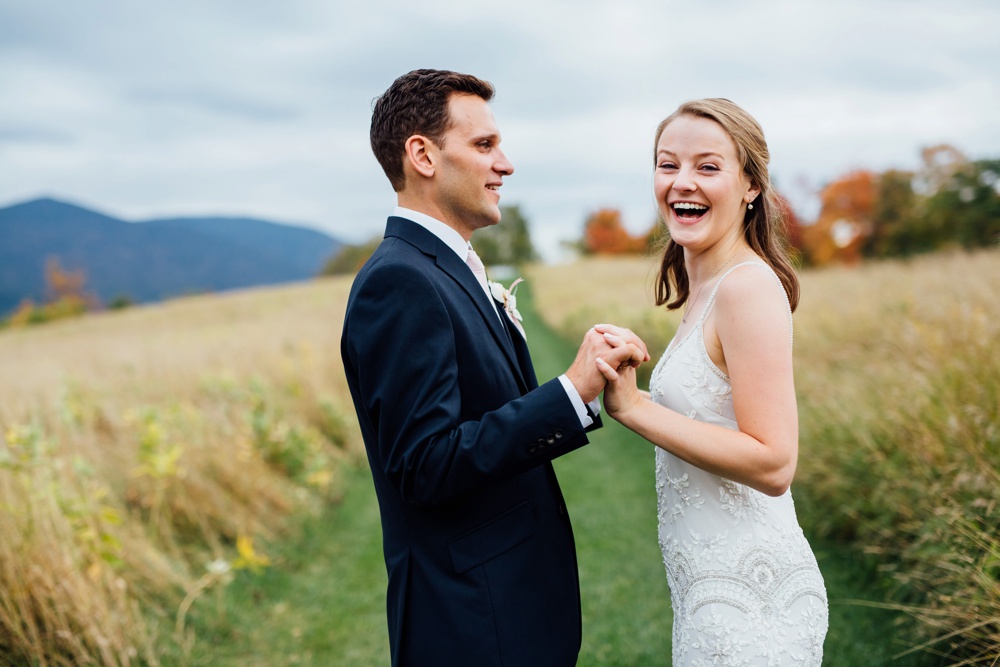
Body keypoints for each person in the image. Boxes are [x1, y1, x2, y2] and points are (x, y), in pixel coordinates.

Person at [341, 69, 646, 667]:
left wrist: (579, 394)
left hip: (506, 604)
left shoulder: (446, 267)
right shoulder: (399, 281)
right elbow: (425, 465)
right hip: (471, 622)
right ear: (423, 155)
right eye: (484, 145)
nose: (505, 164)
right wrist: (569, 391)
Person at [595, 98, 828, 665]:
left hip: (753, 603)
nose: (682, 182)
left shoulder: (746, 288)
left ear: (751, 185)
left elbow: (774, 462)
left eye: (707, 166)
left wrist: (636, 410)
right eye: (667, 164)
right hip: (709, 597)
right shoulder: (706, 287)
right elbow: (712, 420)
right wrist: (627, 389)